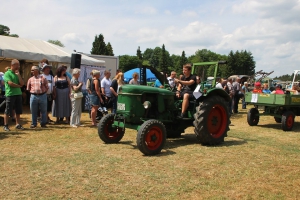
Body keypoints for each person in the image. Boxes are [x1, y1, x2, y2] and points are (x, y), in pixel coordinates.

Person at [3, 59, 25, 131]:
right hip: (10, 94)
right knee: (8, 110)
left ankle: (17, 124)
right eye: (17, 65)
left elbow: (22, 83)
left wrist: (18, 75)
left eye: (18, 65)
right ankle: (5, 125)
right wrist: (18, 86)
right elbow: (10, 83)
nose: (18, 66)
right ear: (12, 65)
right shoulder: (7, 73)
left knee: (18, 110)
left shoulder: (17, 73)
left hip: (18, 94)